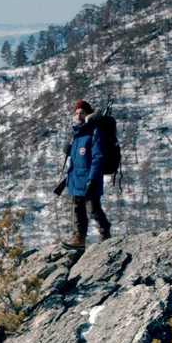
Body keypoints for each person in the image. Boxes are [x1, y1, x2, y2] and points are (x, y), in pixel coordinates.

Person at [62, 100, 111, 250]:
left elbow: (97, 158)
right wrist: (68, 149)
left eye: (81, 112)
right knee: (77, 209)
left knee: (93, 208)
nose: (78, 116)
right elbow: (77, 157)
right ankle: (79, 238)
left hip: (89, 179)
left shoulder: (95, 132)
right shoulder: (77, 133)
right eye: (76, 113)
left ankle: (105, 236)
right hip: (76, 178)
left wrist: (92, 178)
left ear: (88, 114)